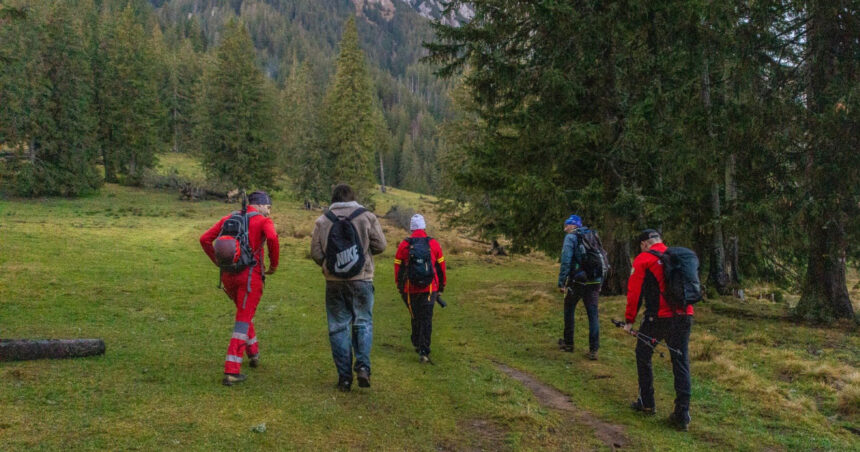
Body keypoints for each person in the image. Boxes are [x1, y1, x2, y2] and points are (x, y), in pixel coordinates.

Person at [311, 184, 387, 392]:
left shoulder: (323, 220)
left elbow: (316, 253)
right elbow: (381, 245)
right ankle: (363, 367)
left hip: (334, 282)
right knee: (363, 322)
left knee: (338, 327)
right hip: (362, 279)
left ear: (333, 198)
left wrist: (330, 266)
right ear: (353, 197)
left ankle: (344, 378)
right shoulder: (366, 216)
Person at [200, 191, 279, 386]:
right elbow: (273, 238)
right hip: (250, 278)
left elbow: (204, 239)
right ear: (260, 205)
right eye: (268, 207)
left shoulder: (229, 218)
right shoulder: (262, 221)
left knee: (245, 313)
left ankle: (253, 353)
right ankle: (232, 370)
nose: (269, 212)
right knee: (242, 320)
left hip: (228, 277)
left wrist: (218, 262)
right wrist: (273, 265)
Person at [624, 229, 694, 431]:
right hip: (684, 315)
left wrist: (629, 321)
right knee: (680, 360)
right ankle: (682, 413)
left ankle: (647, 402)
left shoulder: (644, 259)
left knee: (643, 354)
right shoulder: (676, 256)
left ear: (645, 243)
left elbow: (634, 292)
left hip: (658, 318)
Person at [394, 214, 447, 363]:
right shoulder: (434, 244)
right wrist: (441, 286)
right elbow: (441, 267)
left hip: (410, 289)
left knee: (416, 315)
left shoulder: (404, 245)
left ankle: (417, 341)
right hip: (430, 288)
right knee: (426, 318)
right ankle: (424, 350)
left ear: (411, 228)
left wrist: (400, 286)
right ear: (424, 226)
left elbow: (398, 267)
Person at [557, 214, 603, 360]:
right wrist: (600, 281)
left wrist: (562, 281)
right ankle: (594, 350)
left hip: (578, 281)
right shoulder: (593, 235)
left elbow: (566, 260)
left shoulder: (571, 238)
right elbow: (602, 258)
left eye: (567, 225)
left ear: (573, 225)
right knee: (593, 314)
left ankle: (569, 343)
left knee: (569, 308)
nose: (565, 229)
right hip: (594, 280)